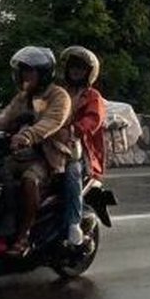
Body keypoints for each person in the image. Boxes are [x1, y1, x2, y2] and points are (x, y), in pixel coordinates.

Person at [0, 46, 72, 258]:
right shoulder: (22, 97)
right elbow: (3, 119)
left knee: (29, 180)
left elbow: (51, 122)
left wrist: (28, 136)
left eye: (29, 71)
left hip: (47, 155)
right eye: (22, 71)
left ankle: (24, 235)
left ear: (44, 73)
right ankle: (3, 224)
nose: (23, 76)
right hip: (20, 154)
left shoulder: (58, 96)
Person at [58, 46, 107, 247]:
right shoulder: (59, 93)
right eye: (73, 67)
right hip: (52, 145)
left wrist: (74, 130)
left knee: (71, 173)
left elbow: (93, 120)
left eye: (80, 68)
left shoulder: (92, 96)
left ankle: (73, 223)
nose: (75, 71)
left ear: (88, 72)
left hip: (79, 151)